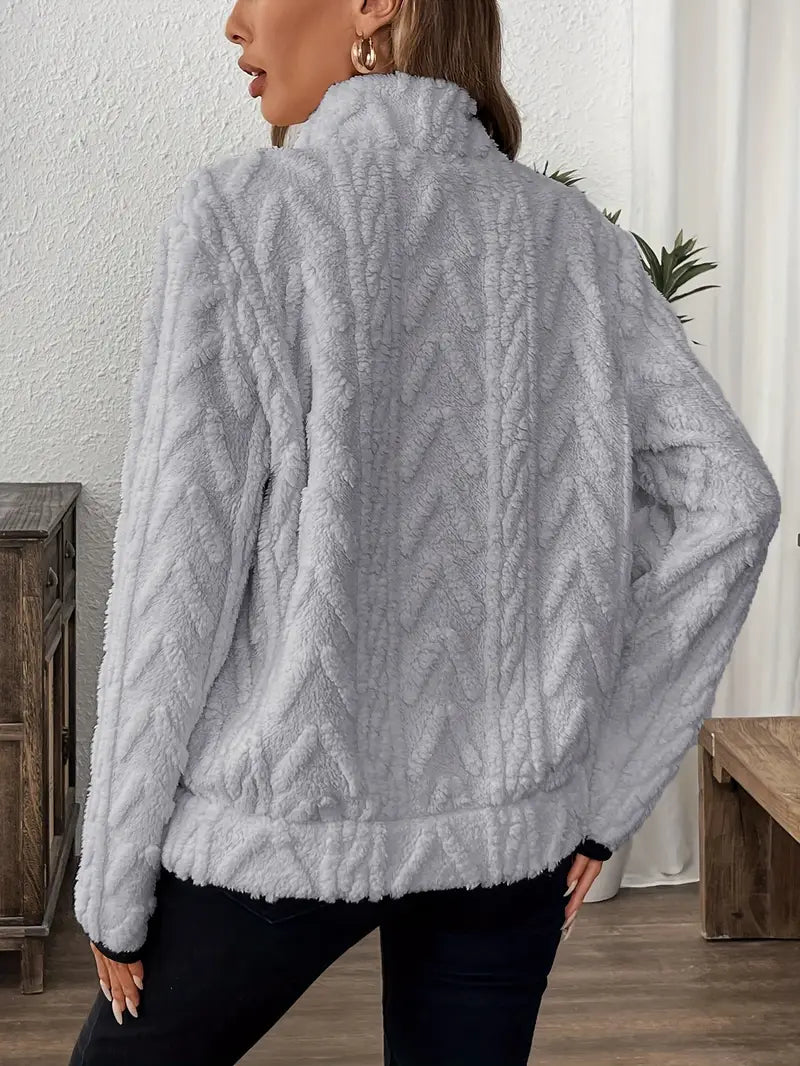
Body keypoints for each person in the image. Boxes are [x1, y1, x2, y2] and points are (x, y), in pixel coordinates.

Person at [68, 0, 782, 1063]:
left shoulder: (242, 217)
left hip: (284, 818)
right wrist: (603, 788)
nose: (232, 21)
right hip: (509, 839)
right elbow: (731, 498)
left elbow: (178, 578)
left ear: (374, 6)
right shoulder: (570, 239)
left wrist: (114, 884)